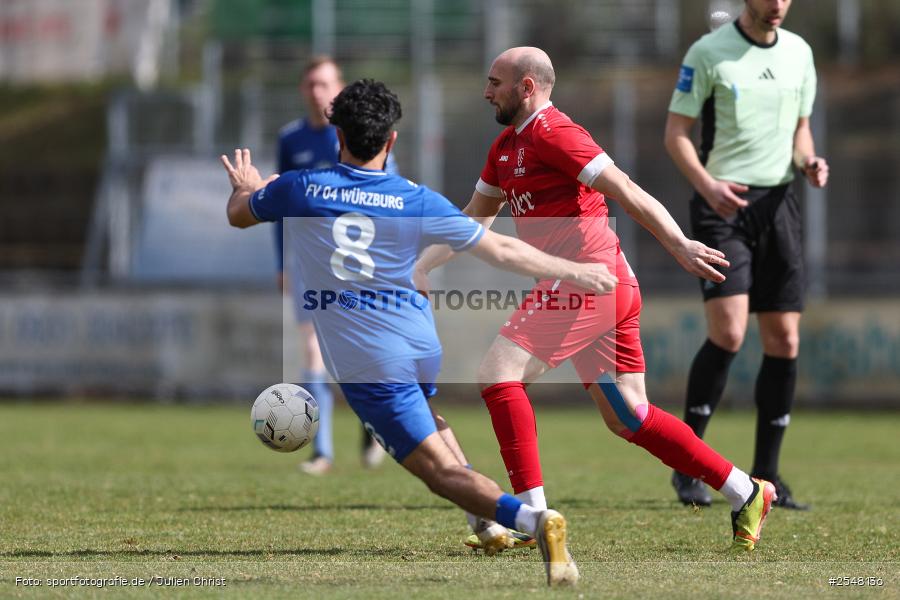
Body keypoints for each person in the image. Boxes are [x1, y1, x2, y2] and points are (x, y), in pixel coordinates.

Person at [222, 79, 603, 585]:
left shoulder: (300, 187)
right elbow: (503, 250)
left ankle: (535, 520)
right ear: (392, 141)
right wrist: (575, 271)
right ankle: (486, 524)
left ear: (337, 135)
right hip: (419, 343)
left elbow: (239, 216)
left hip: (369, 361)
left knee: (439, 475)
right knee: (429, 416)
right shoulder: (414, 198)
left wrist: (246, 186)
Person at [415, 47, 776, 552]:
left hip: (589, 282)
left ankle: (532, 516)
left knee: (498, 374)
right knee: (629, 415)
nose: (486, 90)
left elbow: (624, 188)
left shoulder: (555, 132)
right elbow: (475, 217)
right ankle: (746, 490)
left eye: (495, 81)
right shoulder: (505, 146)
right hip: (603, 286)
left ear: (527, 87)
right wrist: (423, 265)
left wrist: (679, 244)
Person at [664, 0, 828, 509]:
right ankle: (687, 467)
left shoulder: (800, 53)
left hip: (779, 204)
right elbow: (676, 135)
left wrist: (809, 161)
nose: (777, 4)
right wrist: (708, 185)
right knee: (730, 331)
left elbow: (801, 127)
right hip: (722, 206)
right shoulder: (709, 52)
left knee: (784, 337)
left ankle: (768, 476)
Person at [275, 56, 396, 475]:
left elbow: (386, 191)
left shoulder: (358, 135)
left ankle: (371, 428)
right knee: (312, 350)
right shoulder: (291, 140)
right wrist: (281, 263)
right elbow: (282, 207)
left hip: (354, 261)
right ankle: (322, 451)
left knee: (360, 355)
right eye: (310, 84)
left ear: (338, 87)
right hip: (308, 261)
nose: (316, 91)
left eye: (324, 83)